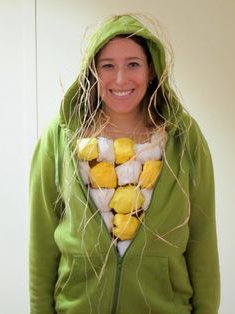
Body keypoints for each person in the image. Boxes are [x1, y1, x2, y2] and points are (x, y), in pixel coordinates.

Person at [29, 13, 220, 314]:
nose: (120, 79)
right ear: (93, 71)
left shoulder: (184, 138)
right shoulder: (61, 134)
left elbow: (203, 240)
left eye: (133, 64)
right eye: (108, 66)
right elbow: (42, 240)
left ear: (152, 70)